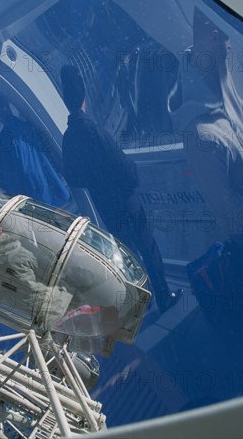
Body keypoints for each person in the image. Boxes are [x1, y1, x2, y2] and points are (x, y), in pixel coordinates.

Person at [60, 65, 182, 313]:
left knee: (130, 255)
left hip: (106, 205)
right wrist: (133, 179)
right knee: (148, 248)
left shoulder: (69, 137)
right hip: (126, 199)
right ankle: (164, 297)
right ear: (84, 95)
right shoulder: (92, 129)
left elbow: (73, 175)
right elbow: (121, 163)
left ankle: (143, 303)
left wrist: (96, 180)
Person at [168, 7, 243, 283]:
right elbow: (227, 210)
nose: (231, 45)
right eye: (226, 39)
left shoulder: (218, 79)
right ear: (215, 37)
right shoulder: (200, 135)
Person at [0, 94, 70, 206]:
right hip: (47, 181)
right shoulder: (27, 126)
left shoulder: (4, 139)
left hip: (31, 189)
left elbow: (11, 176)